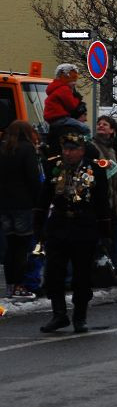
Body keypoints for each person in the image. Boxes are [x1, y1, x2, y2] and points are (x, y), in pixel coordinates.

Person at [37, 133, 110, 333]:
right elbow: (44, 197)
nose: (67, 153)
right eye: (65, 149)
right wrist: (39, 225)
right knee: (54, 272)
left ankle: (80, 316)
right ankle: (59, 314)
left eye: (72, 149)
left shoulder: (94, 168)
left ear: (81, 150)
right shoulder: (55, 167)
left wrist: (105, 230)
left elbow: (103, 200)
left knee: (82, 275)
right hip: (59, 226)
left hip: (84, 228)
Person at [0, 121, 42, 300]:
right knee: (22, 247)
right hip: (23, 204)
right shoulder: (27, 149)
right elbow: (33, 178)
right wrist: (38, 202)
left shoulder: (3, 149)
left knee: (10, 246)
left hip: (4, 205)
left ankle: (10, 286)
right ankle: (19, 286)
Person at [92, 115, 117, 283]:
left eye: (105, 124)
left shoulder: (111, 149)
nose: (101, 126)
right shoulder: (93, 147)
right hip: (103, 201)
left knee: (116, 242)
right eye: (99, 123)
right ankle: (104, 273)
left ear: (112, 130)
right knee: (104, 241)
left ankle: (114, 272)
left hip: (115, 203)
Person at [43, 64, 90, 143]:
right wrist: (77, 99)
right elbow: (72, 106)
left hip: (52, 120)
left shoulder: (55, 88)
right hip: (61, 119)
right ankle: (85, 143)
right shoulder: (64, 89)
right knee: (85, 128)